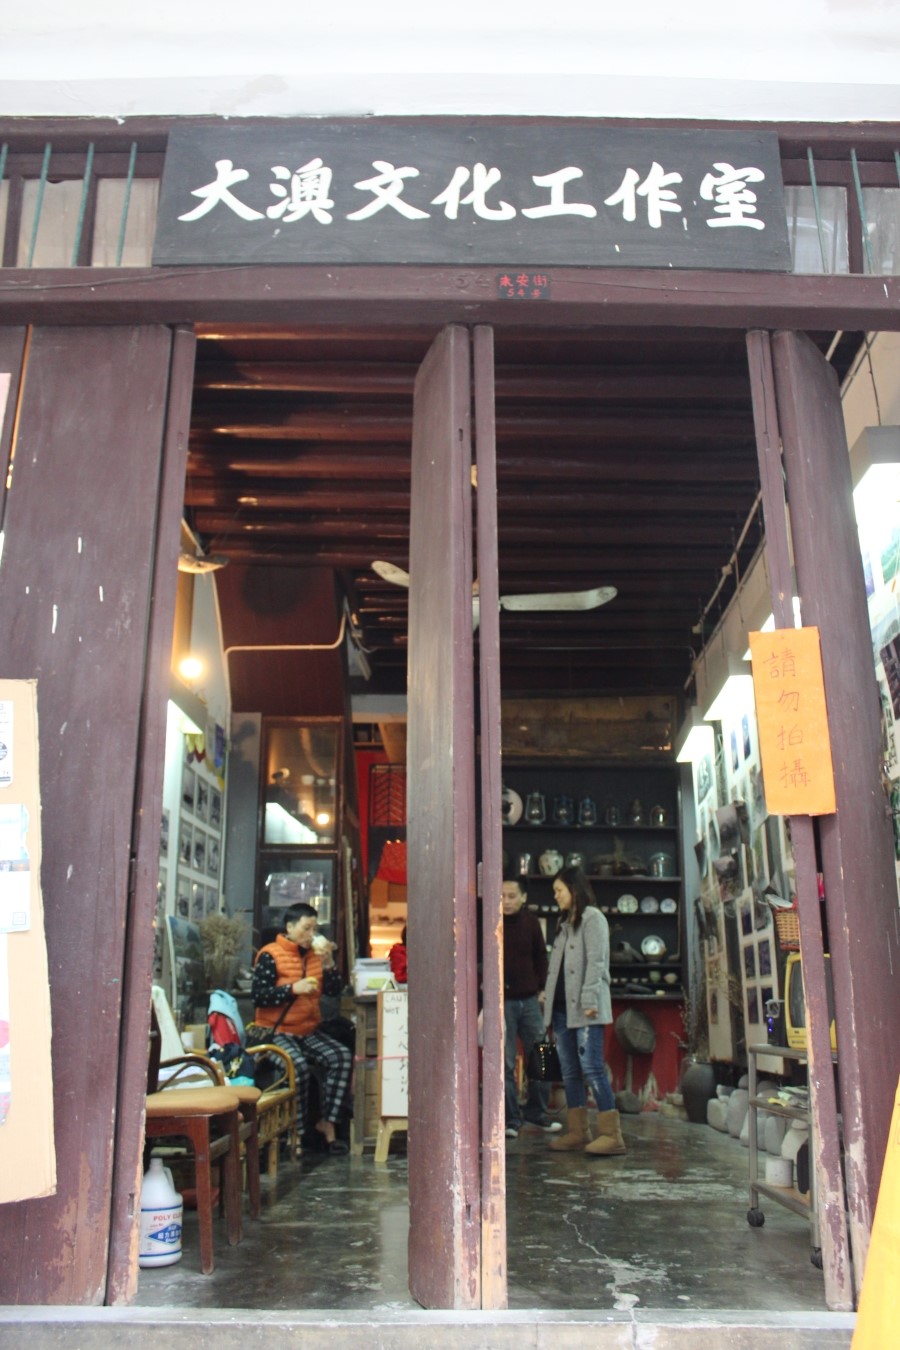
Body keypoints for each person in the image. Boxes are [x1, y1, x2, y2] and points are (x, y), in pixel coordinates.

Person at [252, 902, 353, 1154]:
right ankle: (295, 1133)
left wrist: (329, 964)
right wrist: (292, 989)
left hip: (307, 1031)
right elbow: (259, 996)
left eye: (314, 929)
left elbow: (333, 991)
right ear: (289, 927)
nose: (311, 934)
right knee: (296, 1067)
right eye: (306, 928)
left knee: (341, 1057)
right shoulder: (270, 954)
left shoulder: (315, 956)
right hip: (274, 1032)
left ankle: (328, 1123)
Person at [543, 865, 625, 1156]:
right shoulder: (564, 922)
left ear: (573, 889)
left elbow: (597, 962)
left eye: (559, 890)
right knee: (569, 1070)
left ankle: (612, 1135)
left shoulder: (593, 918)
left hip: (586, 1008)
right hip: (562, 1010)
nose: (556, 896)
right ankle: (578, 1131)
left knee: (591, 1067)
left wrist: (590, 1000)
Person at [501, 877, 561, 1138]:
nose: (505, 901)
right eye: (501, 896)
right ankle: (510, 1119)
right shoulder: (490, 923)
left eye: (511, 896)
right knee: (504, 1062)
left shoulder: (531, 922)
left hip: (529, 1000)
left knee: (543, 1056)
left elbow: (541, 958)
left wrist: (543, 988)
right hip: (501, 1001)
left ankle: (537, 1113)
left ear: (523, 898)